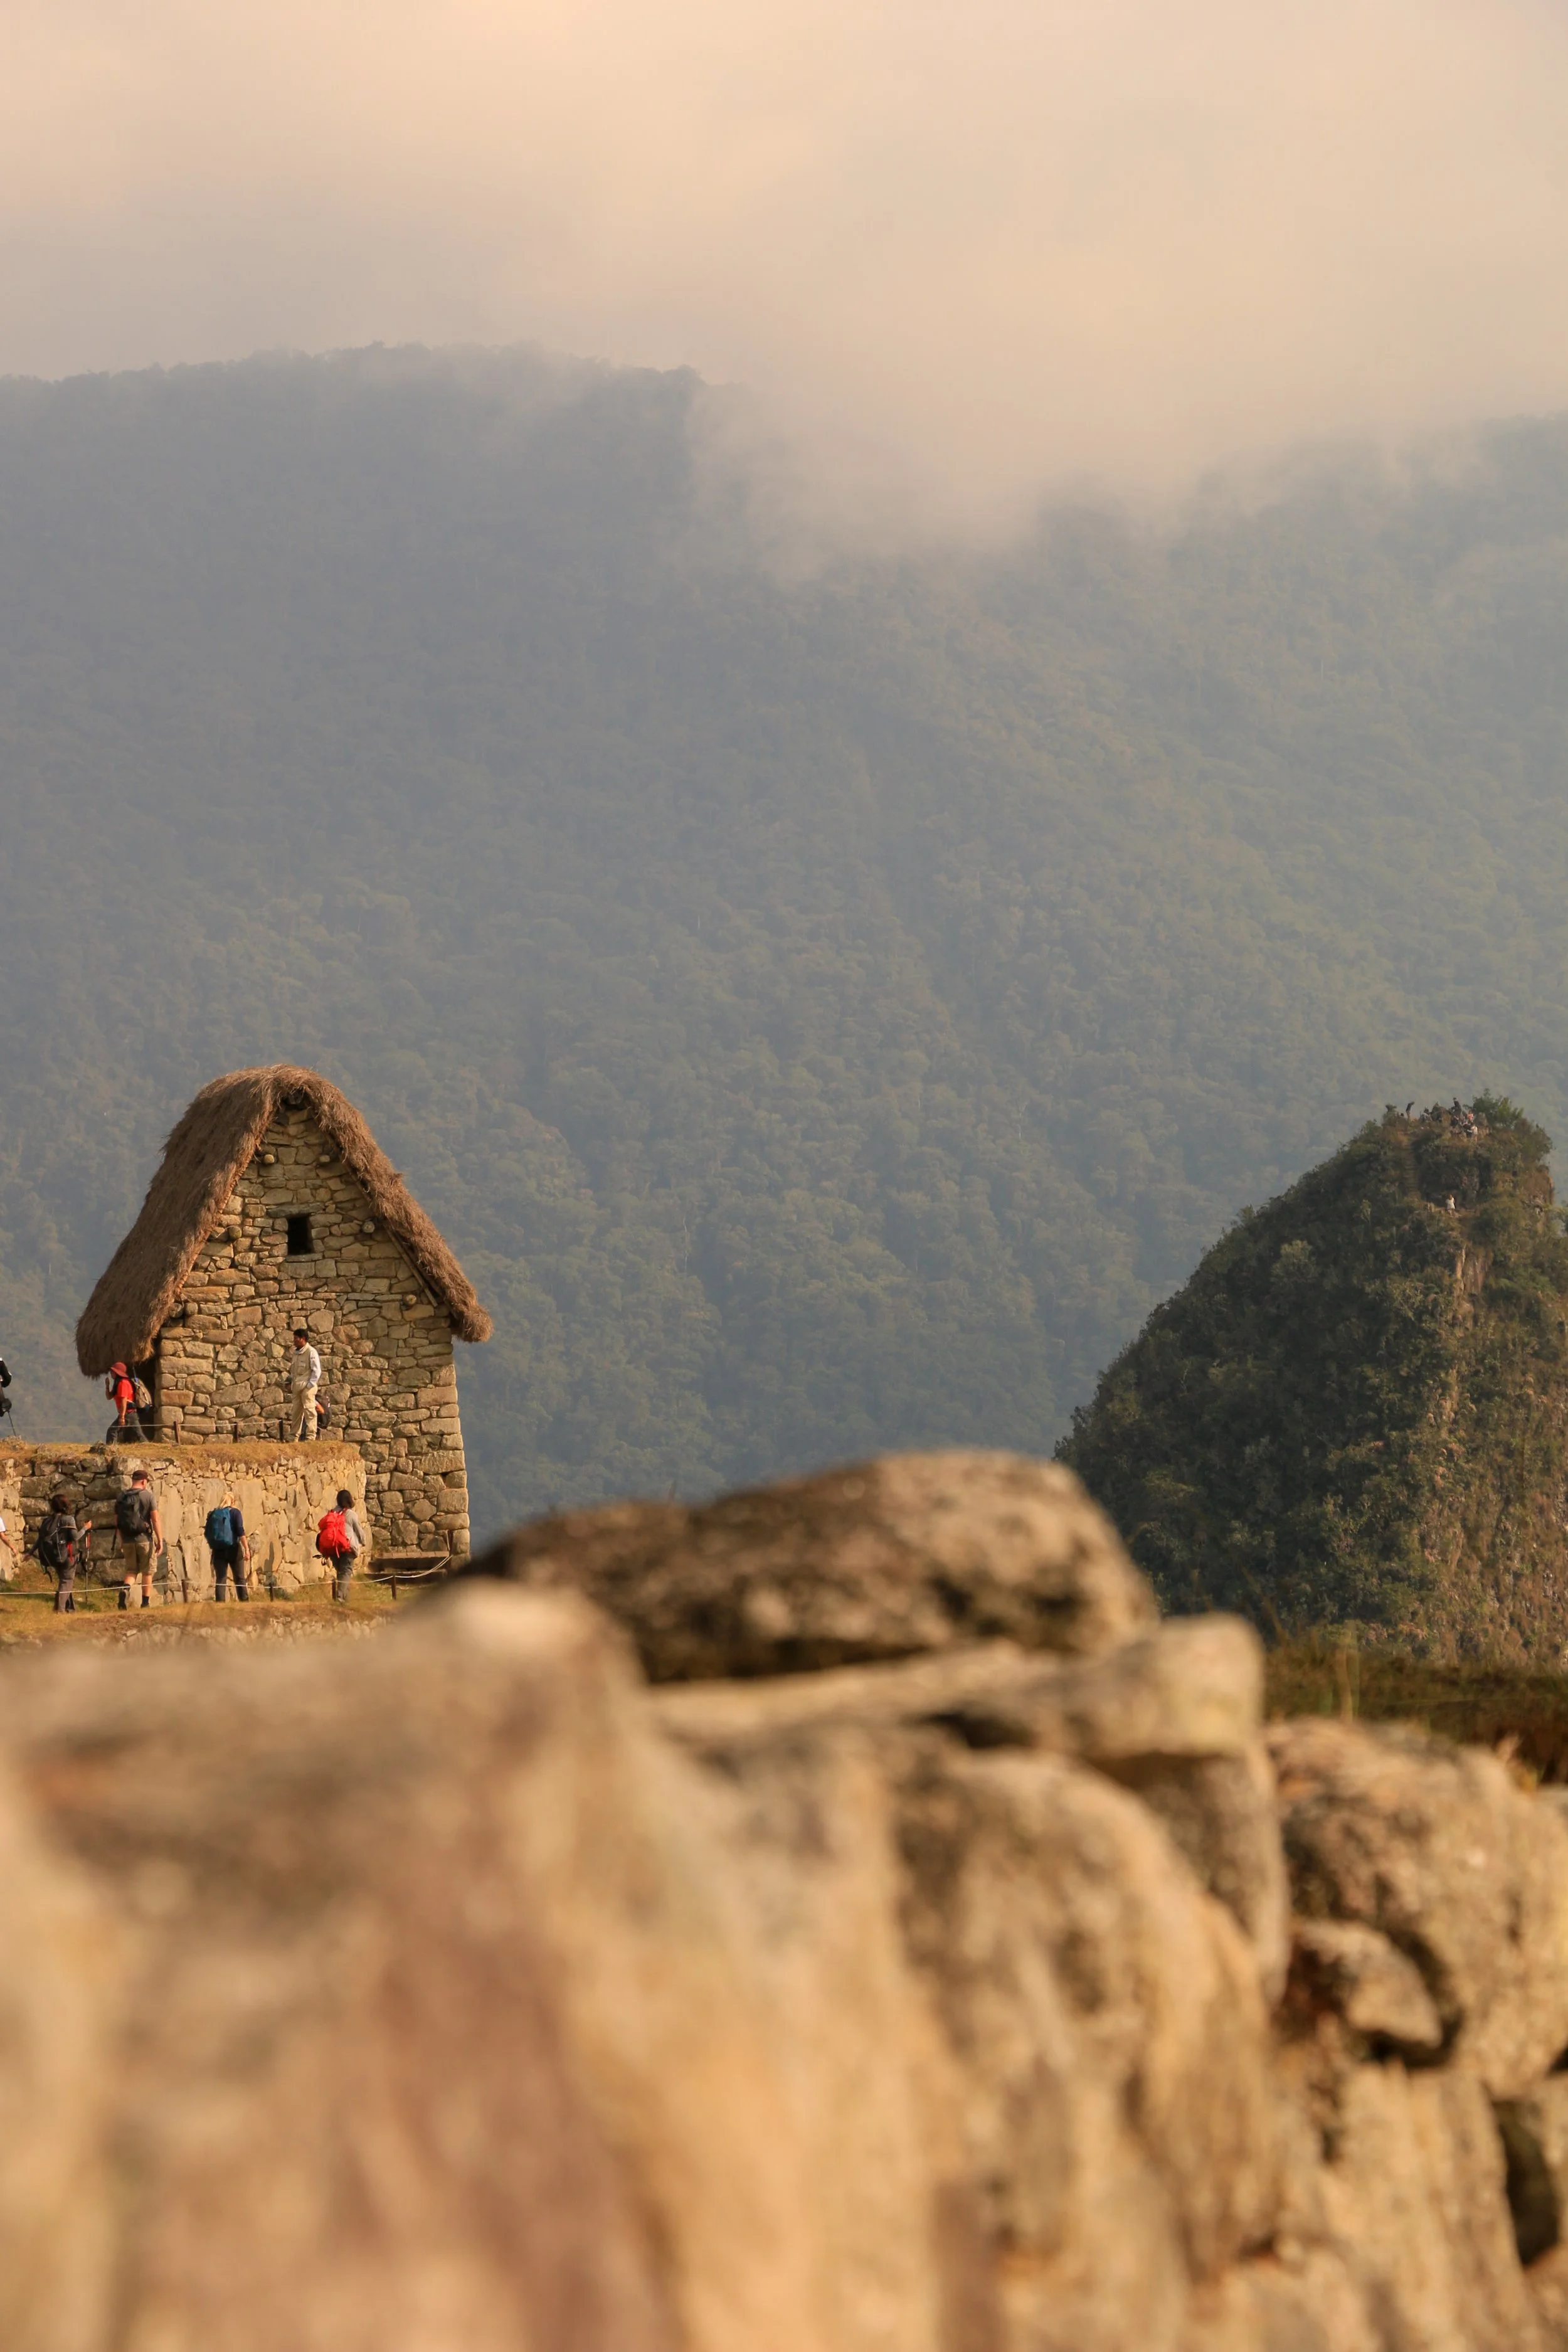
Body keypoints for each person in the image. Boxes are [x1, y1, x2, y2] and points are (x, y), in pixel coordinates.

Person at [115, 1468, 164, 1610]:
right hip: (144, 1540)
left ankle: (125, 1589)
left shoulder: (121, 1497)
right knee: (148, 1571)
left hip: (128, 1539)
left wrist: (122, 1541)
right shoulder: (148, 1496)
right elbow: (155, 1520)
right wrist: (160, 1540)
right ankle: (145, 1603)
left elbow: (117, 1522)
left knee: (131, 1571)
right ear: (144, 1481)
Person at [36, 1490, 90, 1614]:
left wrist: (30, 1553)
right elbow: (75, 1537)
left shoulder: (47, 1521)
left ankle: (70, 1609)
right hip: (68, 1556)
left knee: (65, 1581)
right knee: (66, 1581)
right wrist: (85, 1528)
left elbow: (40, 1539)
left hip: (53, 1557)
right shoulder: (68, 1520)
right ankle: (59, 1611)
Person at [317, 1487, 367, 1603]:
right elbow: (359, 1531)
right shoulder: (351, 1514)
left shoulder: (332, 1513)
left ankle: (344, 1599)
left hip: (333, 1548)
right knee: (346, 1571)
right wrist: (363, 1542)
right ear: (349, 1500)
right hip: (347, 1547)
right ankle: (339, 1597)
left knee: (341, 1572)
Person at [204, 1488, 252, 1601]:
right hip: (234, 1549)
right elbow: (240, 1531)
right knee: (240, 1578)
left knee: (221, 1578)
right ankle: (244, 1602)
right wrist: (247, 1549)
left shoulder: (214, 1514)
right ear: (233, 1502)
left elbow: (207, 1533)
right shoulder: (235, 1512)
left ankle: (220, 1604)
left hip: (218, 1550)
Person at [287, 1328, 322, 1440]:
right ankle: (293, 1437)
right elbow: (294, 1372)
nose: (294, 1341)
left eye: (296, 1339)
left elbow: (317, 1371)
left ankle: (311, 1437)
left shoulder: (311, 1352)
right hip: (297, 1388)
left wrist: (309, 1385)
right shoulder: (296, 1353)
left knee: (309, 1411)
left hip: (307, 1387)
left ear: (303, 1339)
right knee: (296, 1412)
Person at [105, 1360, 146, 1440]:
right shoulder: (118, 1384)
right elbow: (109, 1397)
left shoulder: (123, 1384)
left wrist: (122, 1417)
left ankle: (111, 1448)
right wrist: (107, 1386)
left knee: (112, 1431)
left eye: (113, 1371)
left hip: (128, 1413)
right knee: (139, 1435)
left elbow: (124, 1401)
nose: (111, 1373)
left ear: (117, 1373)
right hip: (130, 1413)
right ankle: (148, 1445)